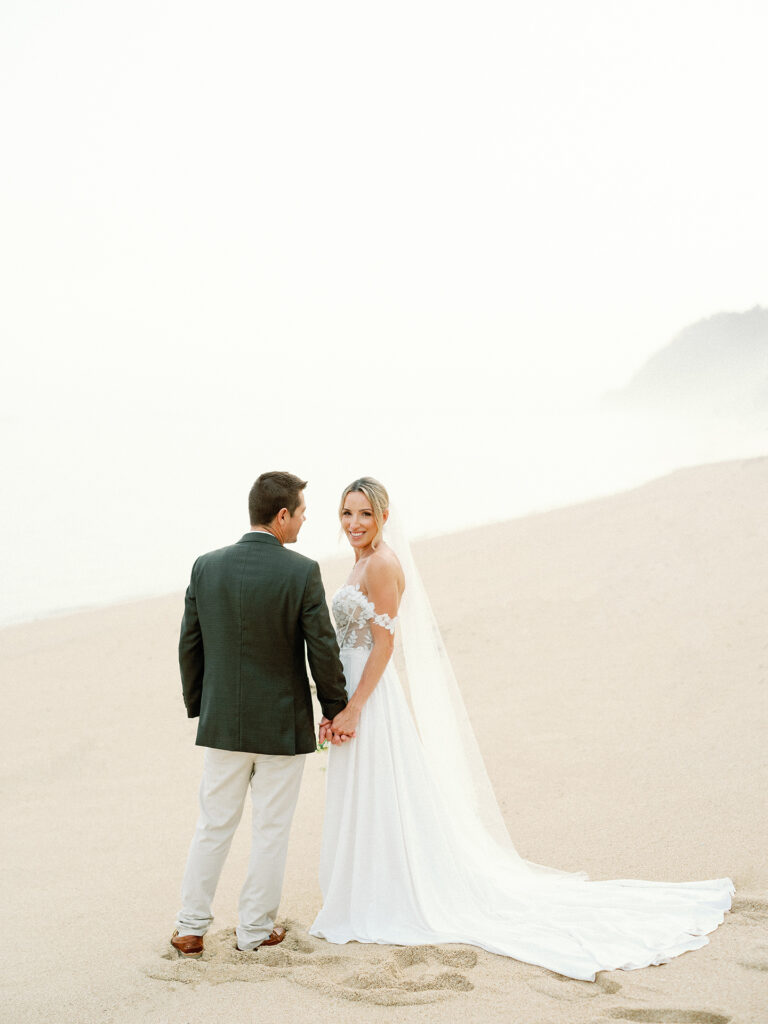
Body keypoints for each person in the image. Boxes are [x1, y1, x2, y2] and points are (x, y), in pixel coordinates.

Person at [309, 476, 734, 982]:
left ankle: (388, 893)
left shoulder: (381, 564)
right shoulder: (359, 561)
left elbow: (383, 646)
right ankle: (366, 888)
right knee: (367, 793)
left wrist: (355, 707)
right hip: (354, 693)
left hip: (372, 698)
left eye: (364, 514)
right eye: (346, 513)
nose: (353, 524)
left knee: (381, 790)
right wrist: (335, 702)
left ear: (382, 518)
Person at [171, 471, 350, 959]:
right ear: (282, 514)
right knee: (271, 829)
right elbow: (323, 649)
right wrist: (335, 709)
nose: (305, 522)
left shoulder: (206, 566)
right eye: (302, 513)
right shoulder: (301, 571)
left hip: (223, 722)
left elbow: (190, 645)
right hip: (281, 724)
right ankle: (254, 931)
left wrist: (201, 706)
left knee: (213, 824)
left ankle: (190, 928)